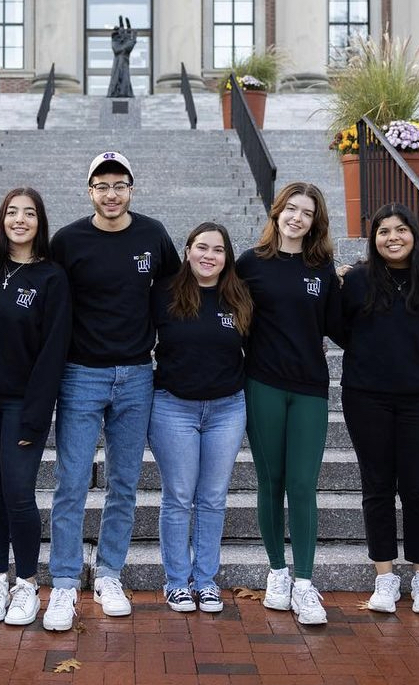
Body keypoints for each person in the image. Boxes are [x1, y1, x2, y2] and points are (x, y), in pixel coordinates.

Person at [43, 152, 179, 631]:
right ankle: (62, 583)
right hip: (81, 374)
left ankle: (109, 574)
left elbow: (175, 294)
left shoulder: (154, 235)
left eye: (119, 184)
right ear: (90, 192)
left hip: (138, 374)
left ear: (131, 189)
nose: (111, 194)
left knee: (124, 483)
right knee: (72, 482)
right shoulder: (68, 241)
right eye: (102, 186)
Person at [0, 187, 71, 626]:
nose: (19, 220)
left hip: (24, 402)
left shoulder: (52, 278)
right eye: (11, 212)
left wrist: (37, 413)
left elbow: (53, 353)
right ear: (1, 219)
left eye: (29, 213)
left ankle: (27, 583)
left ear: (40, 222)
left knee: (19, 494)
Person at [235, 181, 342, 626]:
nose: (297, 217)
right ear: (277, 212)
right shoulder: (249, 264)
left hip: (310, 388)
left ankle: (303, 581)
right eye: (291, 209)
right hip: (263, 384)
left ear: (315, 221)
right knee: (270, 479)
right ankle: (276, 571)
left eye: (307, 212)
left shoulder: (323, 268)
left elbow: (340, 325)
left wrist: (352, 283)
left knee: (302, 484)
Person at [334, 204, 419, 616]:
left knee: (417, 488)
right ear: (374, 238)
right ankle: (384, 577)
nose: (393, 237)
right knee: (377, 487)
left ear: (414, 235)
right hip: (367, 396)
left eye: (401, 230)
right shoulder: (358, 280)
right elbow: (338, 327)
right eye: (384, 231)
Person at [148, 222, 253, 614]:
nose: (209, 256)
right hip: (174, 406)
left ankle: (206, 580)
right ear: (187, 250)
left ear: (227, 257)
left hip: (227, 408)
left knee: (212, 498)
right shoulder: (164, 294)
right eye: (202, 248)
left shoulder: (239, 296)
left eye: (218, 250)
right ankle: (176, 581)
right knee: (178, 497)